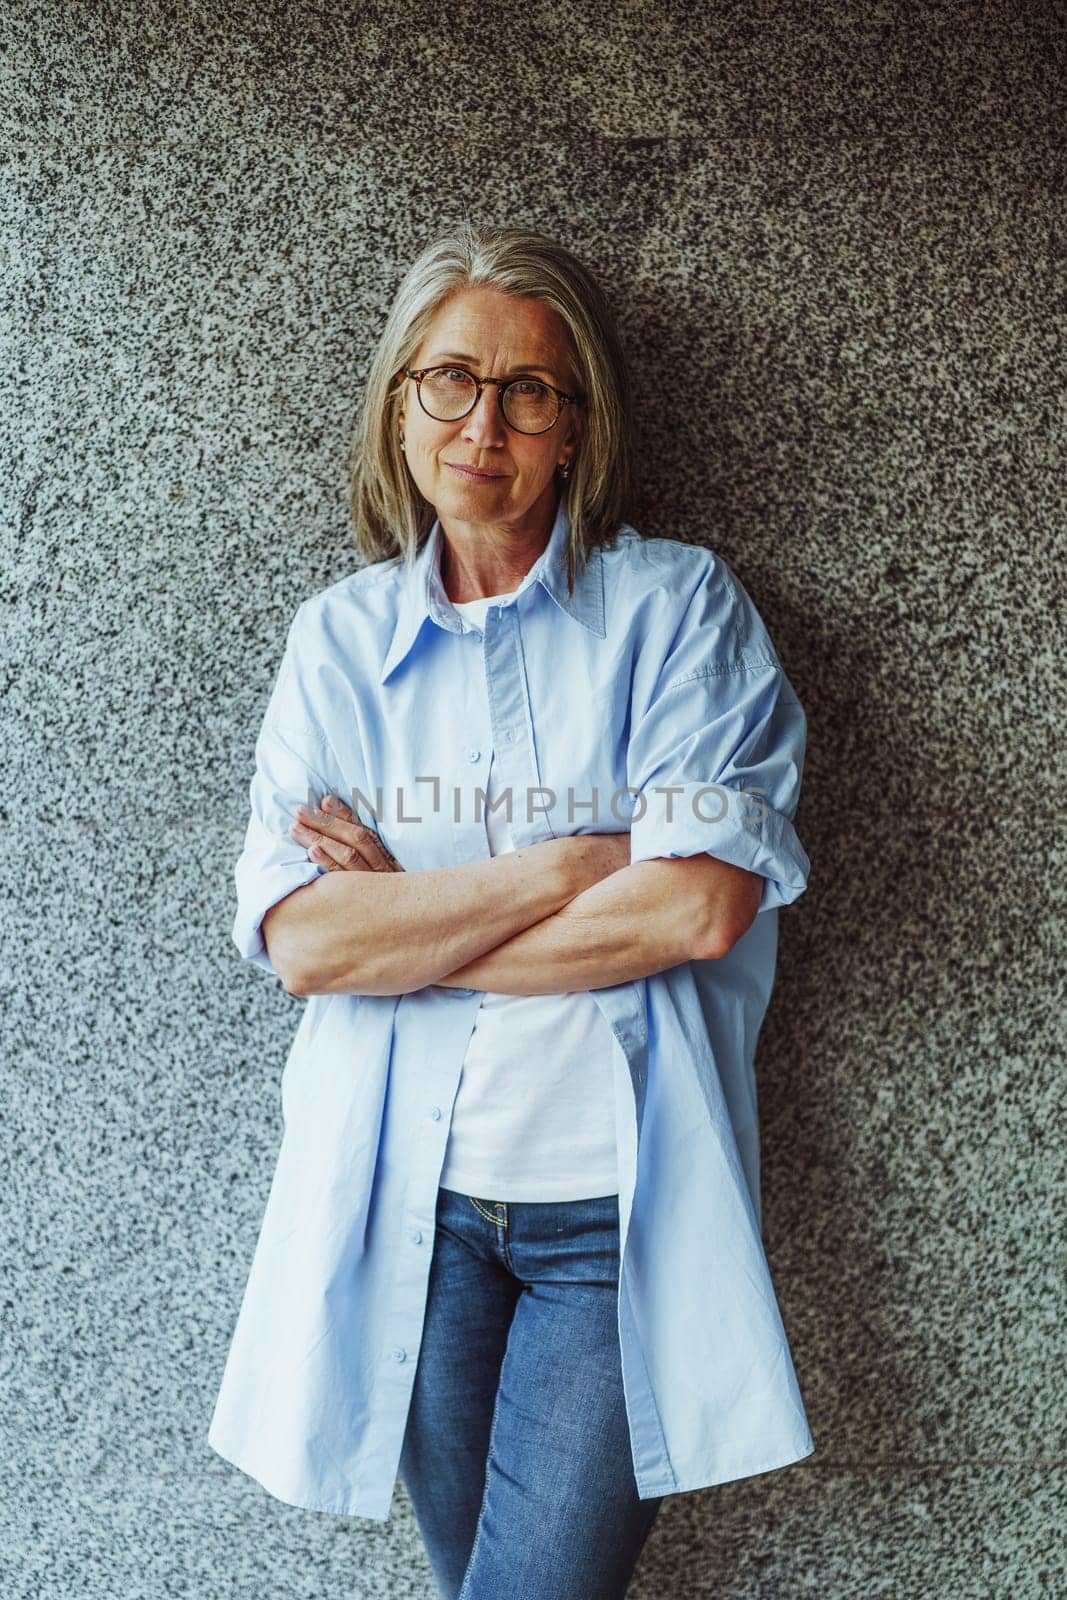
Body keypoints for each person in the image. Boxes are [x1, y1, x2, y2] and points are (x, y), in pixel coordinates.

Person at [207, 221, 815, 1600]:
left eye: (529, 389)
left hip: (610, 1217)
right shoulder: (338, 645)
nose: (485, 422)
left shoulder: (678, 613)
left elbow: (700, 908)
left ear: (576, 426)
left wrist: (410, 927)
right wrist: (572, 864)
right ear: (398, 405)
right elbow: (305, 941)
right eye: (450, 380)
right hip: (403, 1215)